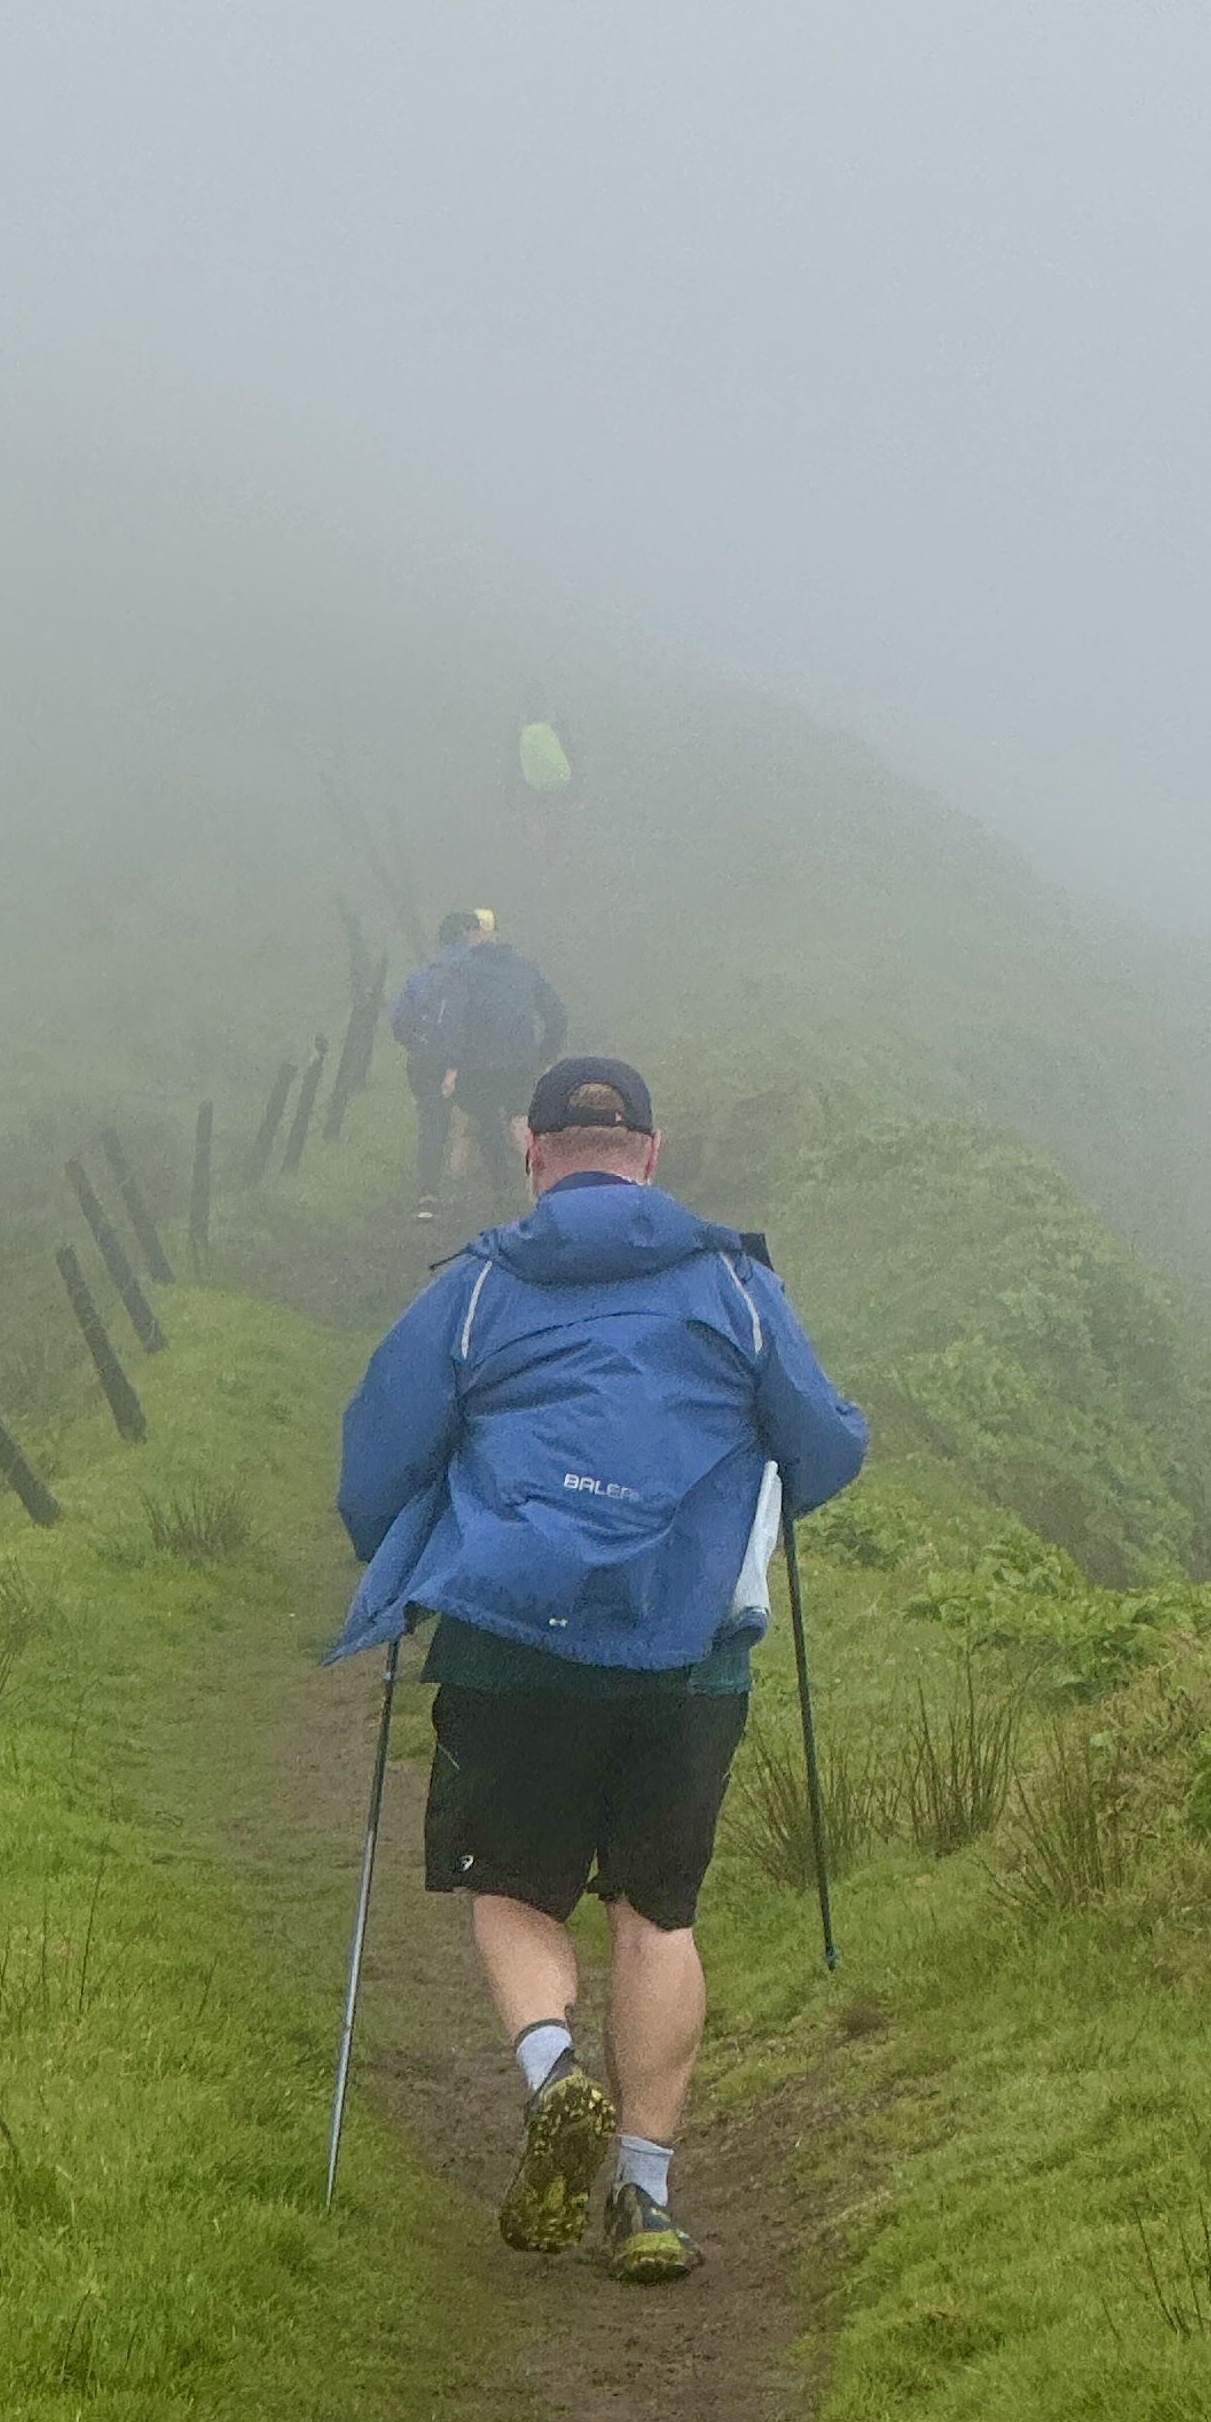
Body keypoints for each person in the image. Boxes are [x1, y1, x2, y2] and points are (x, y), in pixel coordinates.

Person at [332, 1056, 867, 2280]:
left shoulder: (476, 1288)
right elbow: (823, 1447)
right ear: (651, 1155)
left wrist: (401, 1552)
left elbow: (378, 1456)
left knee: (516, 1886)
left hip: (511, 1640)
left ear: (532, 1155)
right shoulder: (735, 1286)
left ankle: (550, 2070)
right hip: (689, 1659)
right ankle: (646, 2199)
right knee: (656, 1911)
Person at [428, 918, 567, 1207]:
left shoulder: (462, 971)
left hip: (478, 1065)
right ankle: (540, 1183)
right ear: (497, 935)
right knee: (520, 1120)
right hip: (521, 1062)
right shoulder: (524, 967)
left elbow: (452, 1020)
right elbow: (556, 1013)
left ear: (472, 936)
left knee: (484, 1119)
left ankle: (490, 1191)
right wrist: (544, 1054)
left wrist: (452, 1065)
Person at [387, 913, 487, 1219]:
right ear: (468, 934)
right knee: (487, 1120)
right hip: (474, 1061)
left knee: (432, 1125)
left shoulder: (423, 974)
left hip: (427, 1060)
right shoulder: (479, 974)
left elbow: (399, 1022)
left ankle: (428, 1194)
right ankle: (490, 1197)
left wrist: (420, 1046)